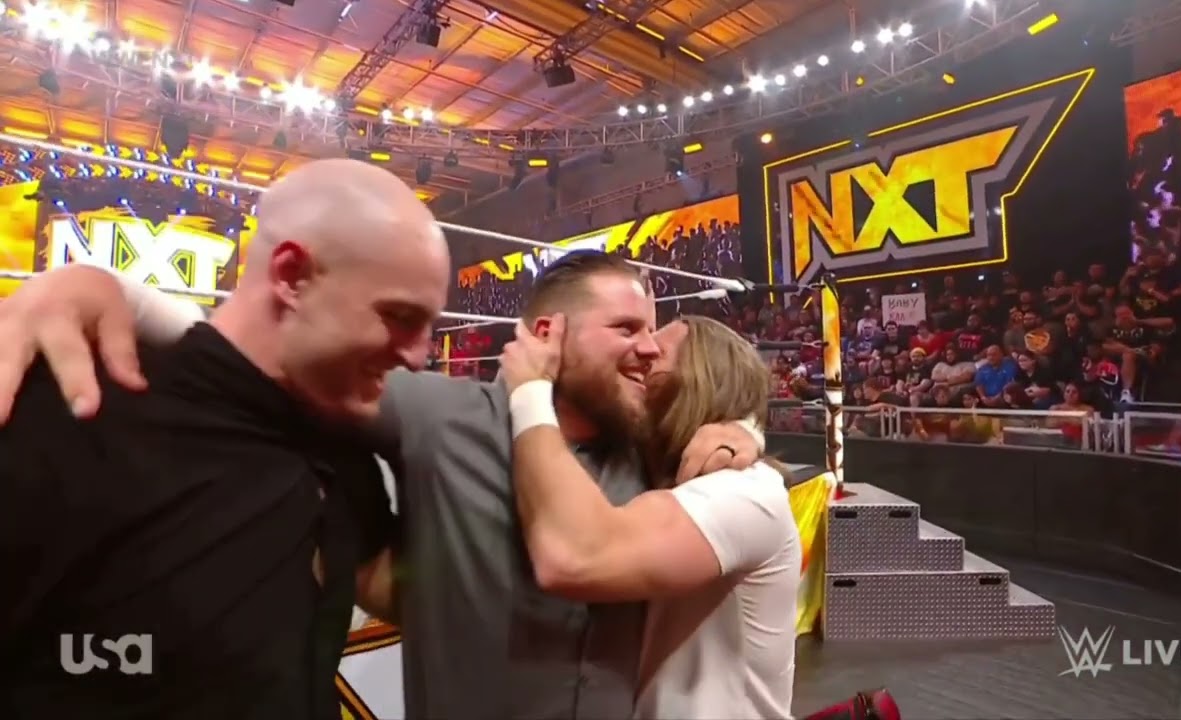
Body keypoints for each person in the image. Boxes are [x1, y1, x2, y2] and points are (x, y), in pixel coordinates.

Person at [0, 249, 763, 719]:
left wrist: (747, 431)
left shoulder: (653, 447)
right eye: (626, 329)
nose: (648, 352)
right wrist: (94, 286)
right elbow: (261, 364)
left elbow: (742, 456)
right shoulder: (442, 414)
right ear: (546, 335)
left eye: (651, 332)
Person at [0, 158, 449, 717]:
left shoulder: (339, 444)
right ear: (292, 276)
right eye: (400, 316)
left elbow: (388, 581)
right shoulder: (79, 404)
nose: (419, 355)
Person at [500, 313, 799, 719]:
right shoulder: (644, 474)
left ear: (697, 380)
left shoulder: (746, 490)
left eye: (656, 355)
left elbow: (576, 556)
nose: (640, 356)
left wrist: (530, 391)